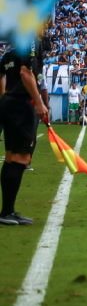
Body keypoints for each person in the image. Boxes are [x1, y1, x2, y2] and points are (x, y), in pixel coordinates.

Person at [0, 44, 49, 226]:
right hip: (22, 104)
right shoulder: (32, 42)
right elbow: (25, 72)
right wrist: (39, 103)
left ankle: (7, 211)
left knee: (10, 158)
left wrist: (4, 98)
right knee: (21, 158)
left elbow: (0, 74)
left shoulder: (11, 50)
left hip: (9, 102)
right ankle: (7, 212)